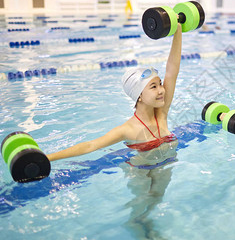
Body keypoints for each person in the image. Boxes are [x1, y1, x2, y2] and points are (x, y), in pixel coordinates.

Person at [47, 22, 182, 167]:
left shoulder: (161, 113)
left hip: (166, 168)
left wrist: (178, 30)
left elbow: (172, 70)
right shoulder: (127, 130)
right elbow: (90, 146)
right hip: (142, 174)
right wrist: (47, 158)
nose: (161, 90)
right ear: (139, 96)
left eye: (160, 84)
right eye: (153, 87)